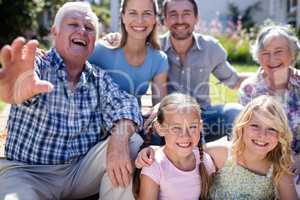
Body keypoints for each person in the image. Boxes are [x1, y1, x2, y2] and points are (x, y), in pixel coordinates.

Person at [0, 2, 143, 200]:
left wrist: (119, 140)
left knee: (131, 141)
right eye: (73, 24)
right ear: (55, 32)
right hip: (27, 173)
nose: (82, 31)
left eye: (89, 28)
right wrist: (15, 88)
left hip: (78, 173)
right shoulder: (38, 66)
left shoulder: (98, 78)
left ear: (94, 40)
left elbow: (126, 104)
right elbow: (23, 81)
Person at [105, 0, 249, 142]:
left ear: (196, 18)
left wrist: (265, 73)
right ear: (165, 20)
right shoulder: (153, 50)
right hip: (168, 118)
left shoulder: (211, 48)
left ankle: (239, 158)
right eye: (173, 14)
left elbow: (234, 80)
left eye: (186, 14)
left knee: (234, 111)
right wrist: (116, 38)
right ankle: (159, 161)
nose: (180, 20)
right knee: (154, 129)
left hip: (204, 117)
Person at [136, 95, 299, 199]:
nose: (262, 135)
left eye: (271, 129)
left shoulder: (278, 171)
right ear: (241, 127)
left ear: (280, 135)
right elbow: (183, 150)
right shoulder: (223, 153)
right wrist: (153, 151)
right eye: (255, 126)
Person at [239, 25, 300, 194]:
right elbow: (244, 135)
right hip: (260, 166)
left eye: (279, 51)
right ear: (258, 57)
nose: (272, 58)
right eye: (265, 53)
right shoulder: (249, 89)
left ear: (292, 53)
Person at [89, 0, 168, 107]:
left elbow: (159, 106)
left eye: (147, 13)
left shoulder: (158, 59)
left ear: (154, 18)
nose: (140, 20)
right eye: (133, 13)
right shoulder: (99, 51)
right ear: (123, 17)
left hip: (134, 121)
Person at [136, 93, 215, 200]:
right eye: (176, 128)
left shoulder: (205, 161)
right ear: (160, 129)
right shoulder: (155, 166)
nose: (185, 135)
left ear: (200, 126)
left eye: (192, 127)